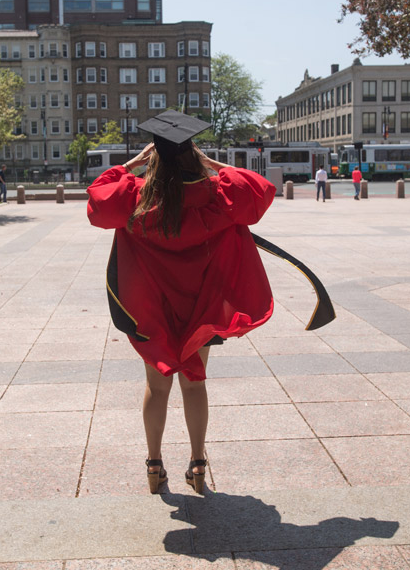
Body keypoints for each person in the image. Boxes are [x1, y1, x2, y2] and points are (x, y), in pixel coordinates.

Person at [86, 111, 275, 495]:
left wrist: (129, 165)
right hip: (201, 309)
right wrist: (212, 164)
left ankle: (154, 466)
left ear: (153, 157)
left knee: (157, 388)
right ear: (192, 155)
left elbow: (96, 202)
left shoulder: (135, 199)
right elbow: (259, 189)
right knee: (194, 382)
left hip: (152, 309)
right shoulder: (216, 197)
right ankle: (198, 464)